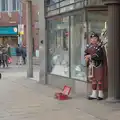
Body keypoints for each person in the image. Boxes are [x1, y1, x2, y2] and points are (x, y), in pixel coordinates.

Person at [84, 33, 107, 100]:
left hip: (99, 65)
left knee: (100, 80)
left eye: (95, 38)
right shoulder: (89, 46)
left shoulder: (100, 46)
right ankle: (93, 94)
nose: (93, 40)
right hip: (92, 65)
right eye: (92, 38)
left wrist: (90, 56)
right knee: (93, 80)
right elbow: (86, 53)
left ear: (97, 39)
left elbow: (99, 56)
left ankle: (101, 94)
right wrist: (86, 57)